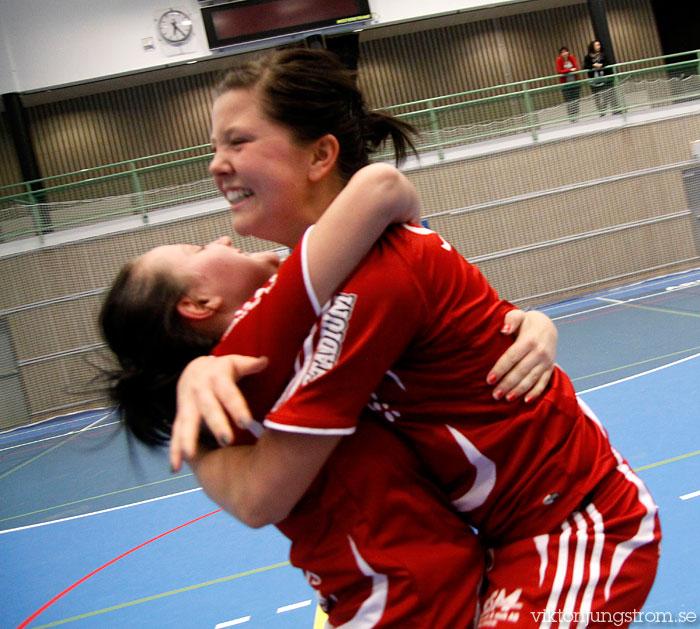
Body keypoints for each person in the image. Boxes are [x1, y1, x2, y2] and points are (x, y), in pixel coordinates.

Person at [171, 48, 661, 628]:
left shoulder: (374, 281)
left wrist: (193, 425)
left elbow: (259, 496)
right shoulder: (341, 266)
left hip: (580, 532)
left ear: (320, 154)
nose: (216, 164)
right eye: (214, 147)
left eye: (237, 142)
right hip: (506, 543)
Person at [101, 163, 555, 626]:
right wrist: (195, 378)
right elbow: (381, 188)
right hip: (398, 604)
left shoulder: (310, 334)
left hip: (457, 579)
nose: (219, 240)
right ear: (198, 305)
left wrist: (529, 323)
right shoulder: (243, 387)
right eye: (197, 249)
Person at [584, 40, 618, 116]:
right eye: (596, 45)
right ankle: (601, 112)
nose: (598, 46)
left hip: (605, 78)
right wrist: (593, 65)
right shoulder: (588, 57)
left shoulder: (603, 55)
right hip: (595, 80)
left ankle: (615, 110)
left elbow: (608, 63)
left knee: (609, 94)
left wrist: (601, 65)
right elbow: (585, 66)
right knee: (598, 97)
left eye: (599, 45)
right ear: (592, 46)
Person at [556, 46, 581, 121]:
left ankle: (576, 115)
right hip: (565, 84)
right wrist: (570, 70)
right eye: (562, 52)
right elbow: (559, 71)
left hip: (575, 82)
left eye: (566, 51)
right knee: (569, 101)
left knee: (576, 100)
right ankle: (571, 117)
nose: (564, 53)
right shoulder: (559, 60)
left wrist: (570, 70)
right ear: (560, 54)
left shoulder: (572, 57)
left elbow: (576, 68)